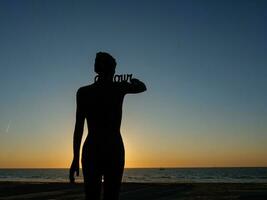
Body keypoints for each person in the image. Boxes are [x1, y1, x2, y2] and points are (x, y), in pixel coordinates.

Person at [69, 52, 146, 200]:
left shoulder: (84, 92)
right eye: (114, 68)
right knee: (111, 195)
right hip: (113, 148)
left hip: (92, 149)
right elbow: (142, 87)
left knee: (92, 195)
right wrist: (133, 81)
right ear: (109, 69)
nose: (115, 72)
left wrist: (75, 158)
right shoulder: (118, 88)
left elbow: (79, 128)